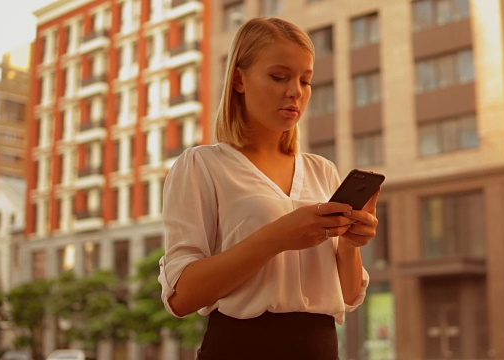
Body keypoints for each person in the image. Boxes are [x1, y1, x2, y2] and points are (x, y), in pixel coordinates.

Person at [158, 17, 380, 359]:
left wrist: (350, 244)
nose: (295, 91)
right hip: (240, 347)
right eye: (279, 77)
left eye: (305, 80)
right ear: (238, 80)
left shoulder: (322, 170)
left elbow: (348, 297)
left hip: (321, 348)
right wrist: (277, 237)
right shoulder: (202, 165)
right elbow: (180, 297)